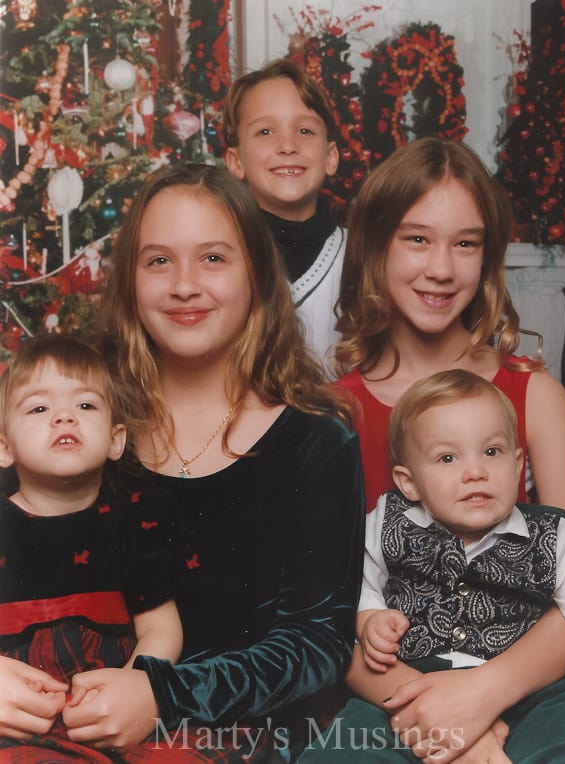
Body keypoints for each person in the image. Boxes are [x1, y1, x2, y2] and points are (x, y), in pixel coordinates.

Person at [35, 164, 365, 763]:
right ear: (130, 281)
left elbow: (319, 643)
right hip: (60, 725)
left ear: (258, 277)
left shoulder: (316, 442)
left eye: (213, 258)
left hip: (242, 735)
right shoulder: (69, 423)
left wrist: (164, 696)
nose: (185, 285)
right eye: (158, 261)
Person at [300, 369, 565, 763]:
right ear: (409, 482)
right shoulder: (388, 523)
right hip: (411, 684)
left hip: (534, 693)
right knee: (340, 754)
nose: (475, 471)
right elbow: (347, 579)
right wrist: (369, 617)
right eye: (448, 457)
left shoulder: (553, 535)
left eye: (492, 451)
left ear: (518, 464)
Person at [335, 136, 565, 556]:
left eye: (465, 244)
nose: (441, 270)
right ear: (375, 247)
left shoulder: (534, 395)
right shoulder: (338, 409)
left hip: (527, 622)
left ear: (486, 257)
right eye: (418, 240)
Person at [0, 332, 189, 762]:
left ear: (115, 440)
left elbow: (161, 628)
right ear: (4, 447)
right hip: (17, 717)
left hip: (112, 710)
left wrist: (139, 685)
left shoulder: (136, 518)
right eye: (39, 407)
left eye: (85, 405)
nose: (64, 418)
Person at [223, 58, 345, 368]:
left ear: (330, 157)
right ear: (236, 161)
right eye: (265, 132)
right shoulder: (217, 257)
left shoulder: (363, 255)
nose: (287, 146)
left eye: (304, 130)